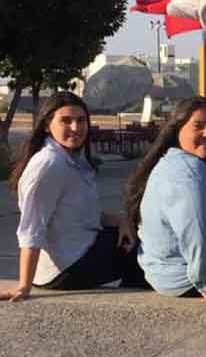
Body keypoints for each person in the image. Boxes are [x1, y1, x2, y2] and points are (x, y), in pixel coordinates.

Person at [1, 92, 144, 301]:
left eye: (81, 120)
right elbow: (31, 228)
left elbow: (84, 214)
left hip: (80, 249)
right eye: (66, 121)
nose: (76, 128)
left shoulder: (73, 160)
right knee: (148, 247)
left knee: (138, 232)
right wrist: (24, 285)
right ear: (46, 125)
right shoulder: (49, 165)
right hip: (66, 268)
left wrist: (122, 221)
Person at [125, 97, 206, 300]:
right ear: (177, 129)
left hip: (166, 273)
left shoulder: (172, 162)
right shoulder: (190, 173)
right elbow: (196, 232)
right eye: (198, 126)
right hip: (187, 279)